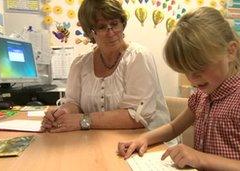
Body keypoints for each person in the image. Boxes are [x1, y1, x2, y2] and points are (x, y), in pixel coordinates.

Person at [117, 7, 240, 170]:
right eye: (186, 71)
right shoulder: (202, 96)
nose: (192, 79)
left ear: (230, 51)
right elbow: (173, 128)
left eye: (199, 68)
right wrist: (143, 138)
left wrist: (201, 158)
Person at [41, 0, 170, 132]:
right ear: (90, 32)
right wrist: (61, 113)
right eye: (101, 27)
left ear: (122, 23)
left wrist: (83, 120)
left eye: (114, 24)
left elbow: (137, 117)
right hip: (101, 140)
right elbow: (74, 103)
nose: (111, 32)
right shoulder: (80, 64)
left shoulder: (138, 57)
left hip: (150, 141)